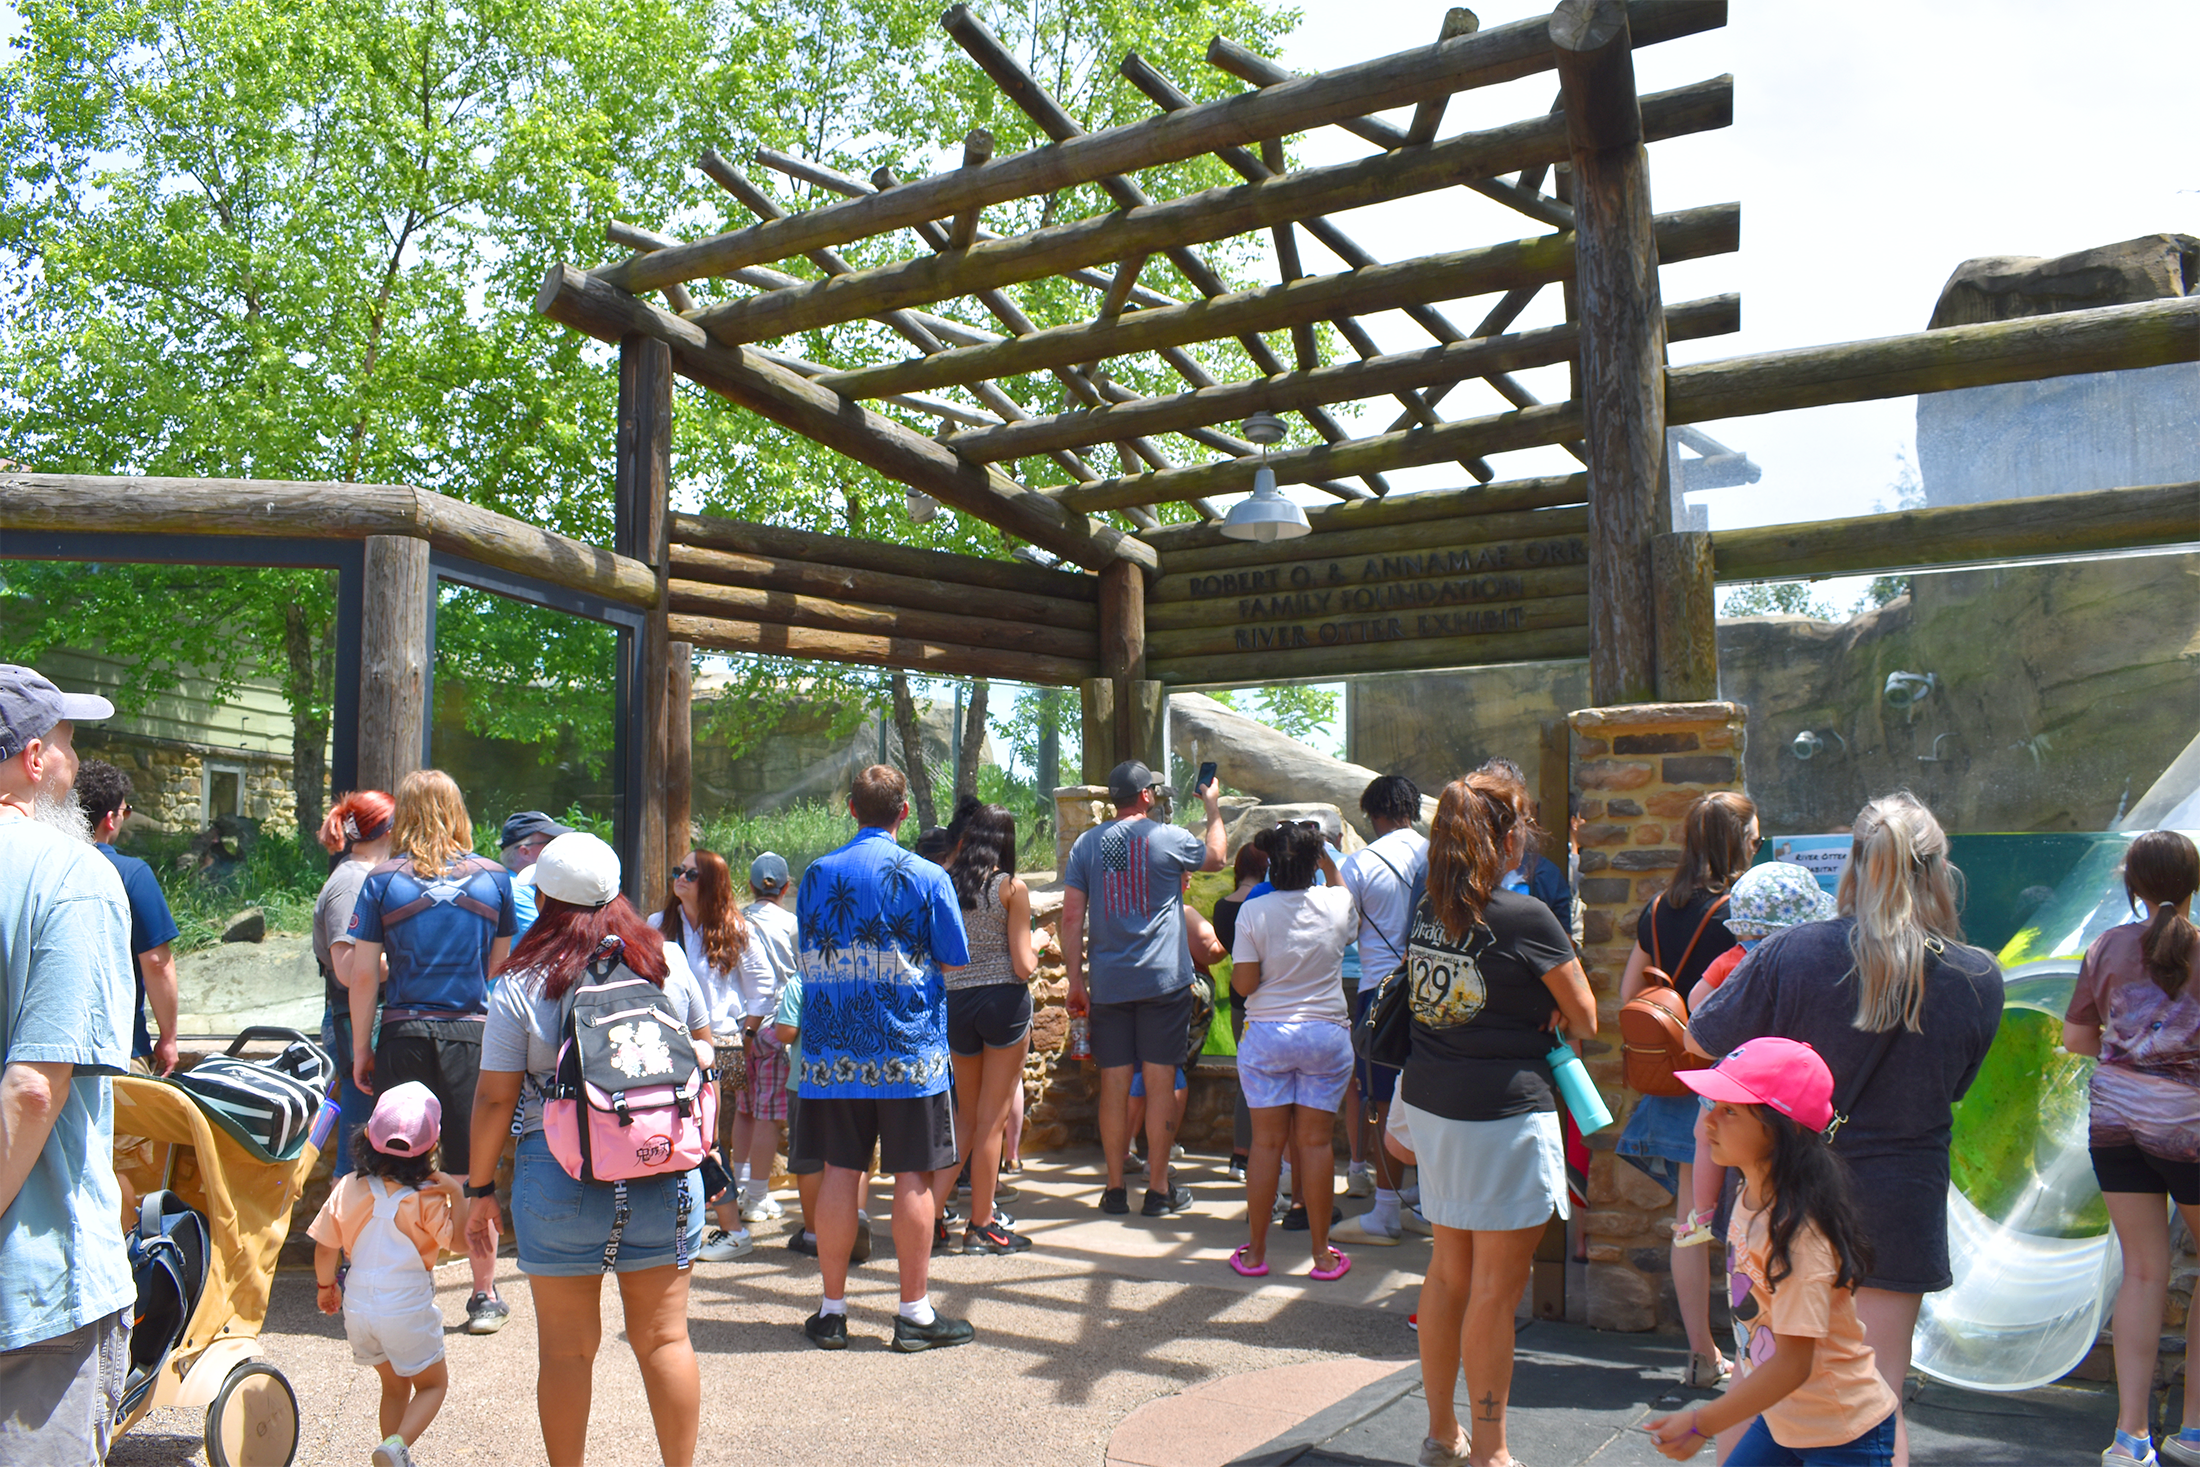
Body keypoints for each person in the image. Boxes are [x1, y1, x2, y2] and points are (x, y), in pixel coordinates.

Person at [1691, 792, 2003, 1467]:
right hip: (1901, 1199)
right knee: (1875, 1396)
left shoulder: (1793, 952)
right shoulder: (1978, 977)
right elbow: (1955, 1085)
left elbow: (1706, 1030)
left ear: (1854, 866)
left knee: (1757, 1376)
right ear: (1938, 871)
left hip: (1789, 1194)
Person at [466, 832, 711, 1467]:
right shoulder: (663, 958)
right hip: (662, 1160)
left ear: (542, 896)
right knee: (664, 1341)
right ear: (617, 890)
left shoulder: (523, 980)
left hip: (560, 1171)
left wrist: (479, 1189)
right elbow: (706, 1051)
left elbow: (495, 1099)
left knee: (567, 1351)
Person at [1399, 771, 1597, 1467]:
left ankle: (1441, 1430)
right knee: (1493, 1288)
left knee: (1449, 1270)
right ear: (1508, 837)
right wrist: (1550, 1003)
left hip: (1433, 1105)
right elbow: (1587, 1015)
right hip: (1506, 1116)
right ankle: (1490, 1449)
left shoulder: (1427, 908)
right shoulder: (1526, 918)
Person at [1643, 1039, 1899, 1466]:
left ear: (1784, 1129)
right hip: (1786, 1413)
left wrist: (1701, 1422)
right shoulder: (1749, 1195)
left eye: (1730, 1111)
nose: (1707, 1123)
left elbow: (1794, 1363)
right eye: (1712, 1104)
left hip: (1842, 1432)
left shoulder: (1798, 1236)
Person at [0, 667, 136, 1466]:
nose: (75, 764)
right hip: (34, 1289)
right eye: (66, 743)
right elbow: (31, 1086)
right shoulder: (73, 875)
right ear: (31, 756)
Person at [790, 764, 972, 1352]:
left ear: (850, 809)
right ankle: (914, 1315)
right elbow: (954, 956)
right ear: (902, 814)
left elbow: (811, 951)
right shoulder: (926, 876)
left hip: (831, 1050)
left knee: (842, 1173)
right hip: (906, 1051)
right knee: (913, 1176)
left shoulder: (817, 875)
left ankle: (832, 1311)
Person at [348, 767, 518, 1335]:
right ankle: (485, 1295)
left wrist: (359, 1048)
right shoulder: (496, 880)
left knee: (399, 1165)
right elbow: (500, 968)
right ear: (458, 810)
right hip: (473, 1034)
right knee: (476, 1172)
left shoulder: (380, 882)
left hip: (403, 1033)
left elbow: (364, 975)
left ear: (405, 815)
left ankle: (401, 1288)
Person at [2062, 830, 2200, 1467]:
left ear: (2133, 885)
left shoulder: (2106, 947)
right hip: (2188, 1129)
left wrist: (2133, 1058)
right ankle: (2193, 1431)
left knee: (2143, 1271)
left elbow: (2077, 1039)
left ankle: (2129, 1437)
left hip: (2114, 1123)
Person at [1615, 790, 1754, 1389]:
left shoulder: (1656, 909)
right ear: (1736, 838)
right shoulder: (1741, 909)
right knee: (1753, 1218)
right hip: (1732, 1083)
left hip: (1675, 1085)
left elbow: (1628, 998)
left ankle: (1702, 1351)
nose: (1757, 841)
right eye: (1752, 832)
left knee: (1689, 1223)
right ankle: (1759, 1352)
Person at [1062, 758, 1226, 1217]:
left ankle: (1114, 1189)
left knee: (1114, 1086)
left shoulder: (1088, 847)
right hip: (1163, 984)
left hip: (1110, 986)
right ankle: (1157, 1189)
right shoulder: (1166, 839)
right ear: (1146, 796)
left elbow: (1072, 917)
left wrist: (1076, 980)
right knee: (1159, 1085)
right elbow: (1217, 858)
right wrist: (1212, 808)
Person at [1674, 864, 1835, 1251]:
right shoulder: (1812, 961)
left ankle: (1705, 1211)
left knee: (1704, 1135)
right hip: (1789, 1078)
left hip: (1738, 1074)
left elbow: (1697, 1003)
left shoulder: (1735, 959)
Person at [1228, 821, 1357, 1280]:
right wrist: (1328, 863)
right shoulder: (1336, 903)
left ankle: (1257, 1252)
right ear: (1314, 863)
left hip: (1267, 1037)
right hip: (1326, 1036)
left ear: (1269, 863)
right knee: (1316, 1143)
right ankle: (1321, 1254)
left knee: (1266, 1145)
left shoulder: (1253, 913)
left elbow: (1244, 986)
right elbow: (1345, 906)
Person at [310, 1081, 463, 1467]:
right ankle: (396, 1447)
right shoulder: (428, 1196)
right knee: (433, 1385)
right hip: (406, 1306)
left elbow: (326, 1247)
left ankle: (393, 1457)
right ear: (432, 1146)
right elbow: (460, 1242)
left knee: (394, 1387)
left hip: (359, 1307)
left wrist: (326, 1286)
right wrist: (458, 1196)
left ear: (367, 1137)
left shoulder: (348, 1187)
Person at [651, 848, 773, 1261]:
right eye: (677, 870)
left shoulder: (736, 929)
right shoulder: (657, 926)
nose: (680, 878)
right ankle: (695, 1220)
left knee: (709, 1141)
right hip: (668, 1045)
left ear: (712, 883)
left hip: (718, 1044)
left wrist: (750, 1033)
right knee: (682, 1136)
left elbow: (763, 985)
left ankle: (732, 1227)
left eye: (691, 873)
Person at [940, 803, 1039, 1253]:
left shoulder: (946, 884)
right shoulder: (1010, 888)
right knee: (993, 1120)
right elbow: (1023, 966)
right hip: (1002, 1004)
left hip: (956, 1003)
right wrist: (1039, 942)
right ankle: (981, 1225)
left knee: (965, 1118)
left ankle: (933, 1214)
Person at [1335, 773, 1428, 1247]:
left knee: (1383, 1098)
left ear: (1373, 815)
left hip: (1381, 992)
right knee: (1430, 1092)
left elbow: (1344, 930)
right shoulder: (1437, 854)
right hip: (1433, 988)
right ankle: (1423, 1201)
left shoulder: (1360, 862)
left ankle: (1387, 1209)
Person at [75, 760, 181, 1076]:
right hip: (118, 1048)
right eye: (125, 810)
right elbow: (156, 962)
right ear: (111, 818)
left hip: (42, 1049)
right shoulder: (132, 874)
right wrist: (169, 1038)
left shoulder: (43, 865)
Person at [315, 789, 397, 1176]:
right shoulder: (352, 883)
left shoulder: (366, 876)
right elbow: (348, 970)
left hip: (370, 1021)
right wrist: (411, 959)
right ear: (388, 831)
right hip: (357, 1023)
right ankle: (342, 1234)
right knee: (358, 1157)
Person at [1213, 841, 1270, 1180]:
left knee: (1246, 1076)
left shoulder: (1223, 907)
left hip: (1238, 998)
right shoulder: (1264, 904)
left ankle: (1240, 1153)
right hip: (1268, 995)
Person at [499, 810, 572, 944]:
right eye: (551, 842)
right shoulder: (514, 892)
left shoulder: (530, 887)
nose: (559, 847)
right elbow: (548, 942)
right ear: (525, 852)